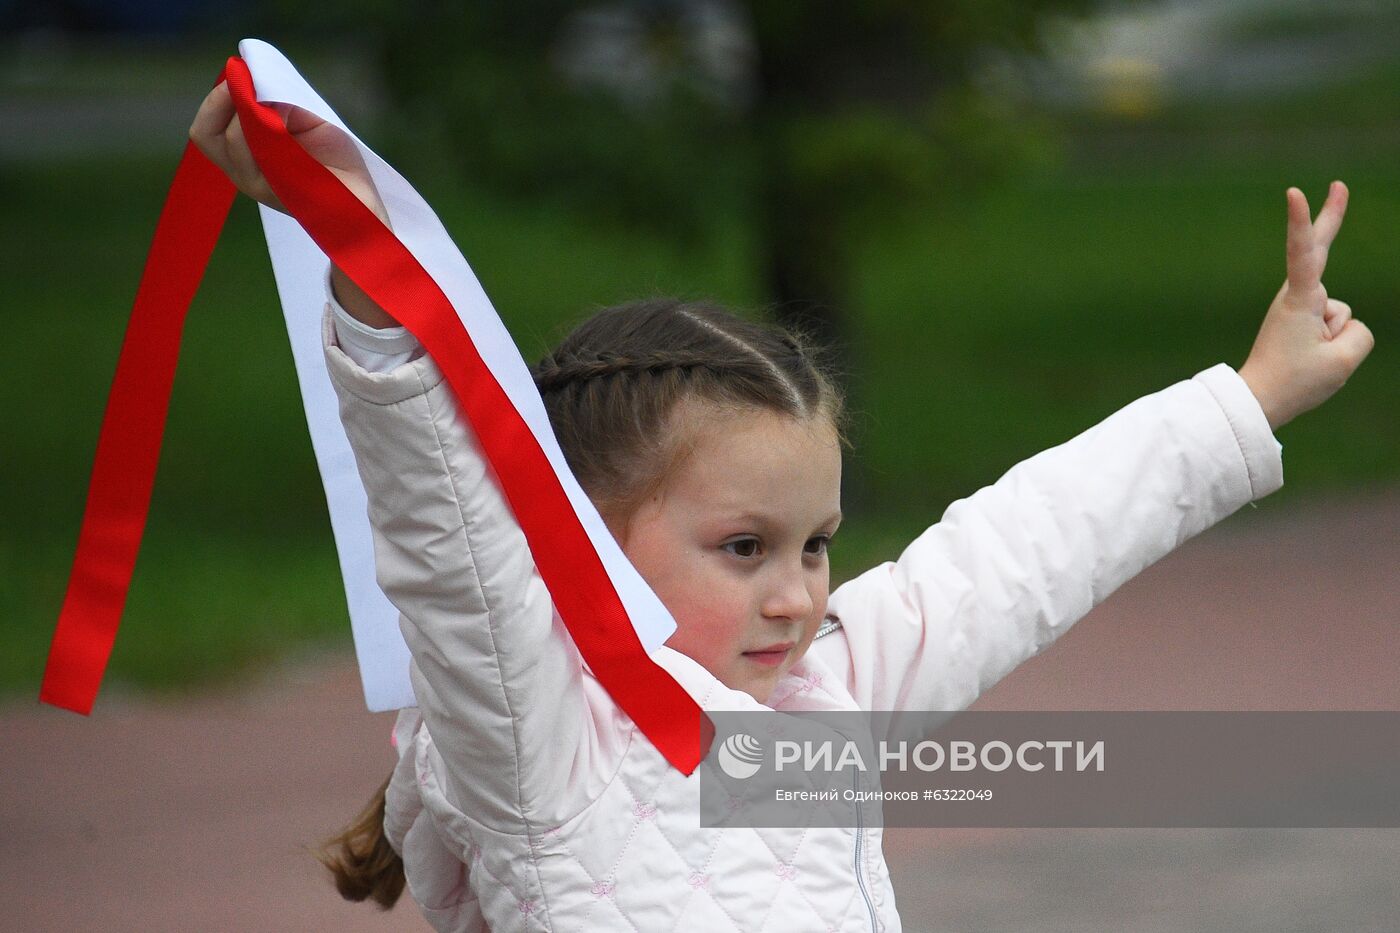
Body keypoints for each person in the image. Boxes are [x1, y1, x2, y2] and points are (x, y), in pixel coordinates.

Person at [189, 81, 1373, 932]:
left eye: (815, 545)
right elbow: (443, 531)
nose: (798, 592)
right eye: (744, 546)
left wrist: (1252, 395)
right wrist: (356, 243)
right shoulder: (537, 737)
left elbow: (1025, 548)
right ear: (583, 538)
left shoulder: (822, 703)